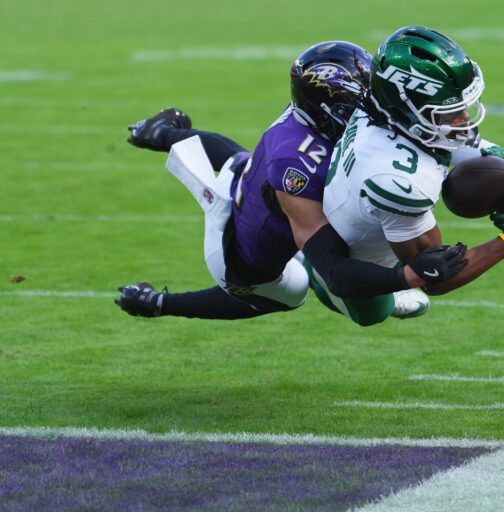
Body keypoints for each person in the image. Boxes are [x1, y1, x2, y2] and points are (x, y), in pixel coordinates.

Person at [115, 40, 467, 322]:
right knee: (297, 289)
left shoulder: (308, 116)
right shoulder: (298, 166)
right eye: (362, 105)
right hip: (241, 260)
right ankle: (157, 303)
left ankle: (159, 133)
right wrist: (404, 278)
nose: (372, 111)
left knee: (242, 161)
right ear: (333, 111)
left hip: (249, 182)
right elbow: (334, 269)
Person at [308, 27, 504, 326]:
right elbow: (435, 275)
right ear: (409, 109)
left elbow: (450, 141)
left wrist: (503, 164)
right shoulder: (398, 181)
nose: (464, 118)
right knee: (372, 313)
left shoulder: (379, 102)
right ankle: (313, 272)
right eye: (448, 112)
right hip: (359, 263)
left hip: (344, 204)